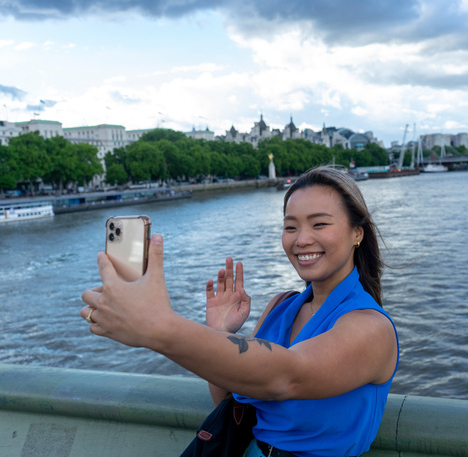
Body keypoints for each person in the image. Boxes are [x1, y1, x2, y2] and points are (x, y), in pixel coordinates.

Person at [80, 166, 400, 457]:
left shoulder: (370, 328)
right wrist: (220, 333)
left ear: (357, 232)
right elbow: (233, 401)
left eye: (319, 224)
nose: (302, 239)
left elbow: (286, 376)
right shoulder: (280, 306)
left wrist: (158, 328)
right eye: (290, 227)